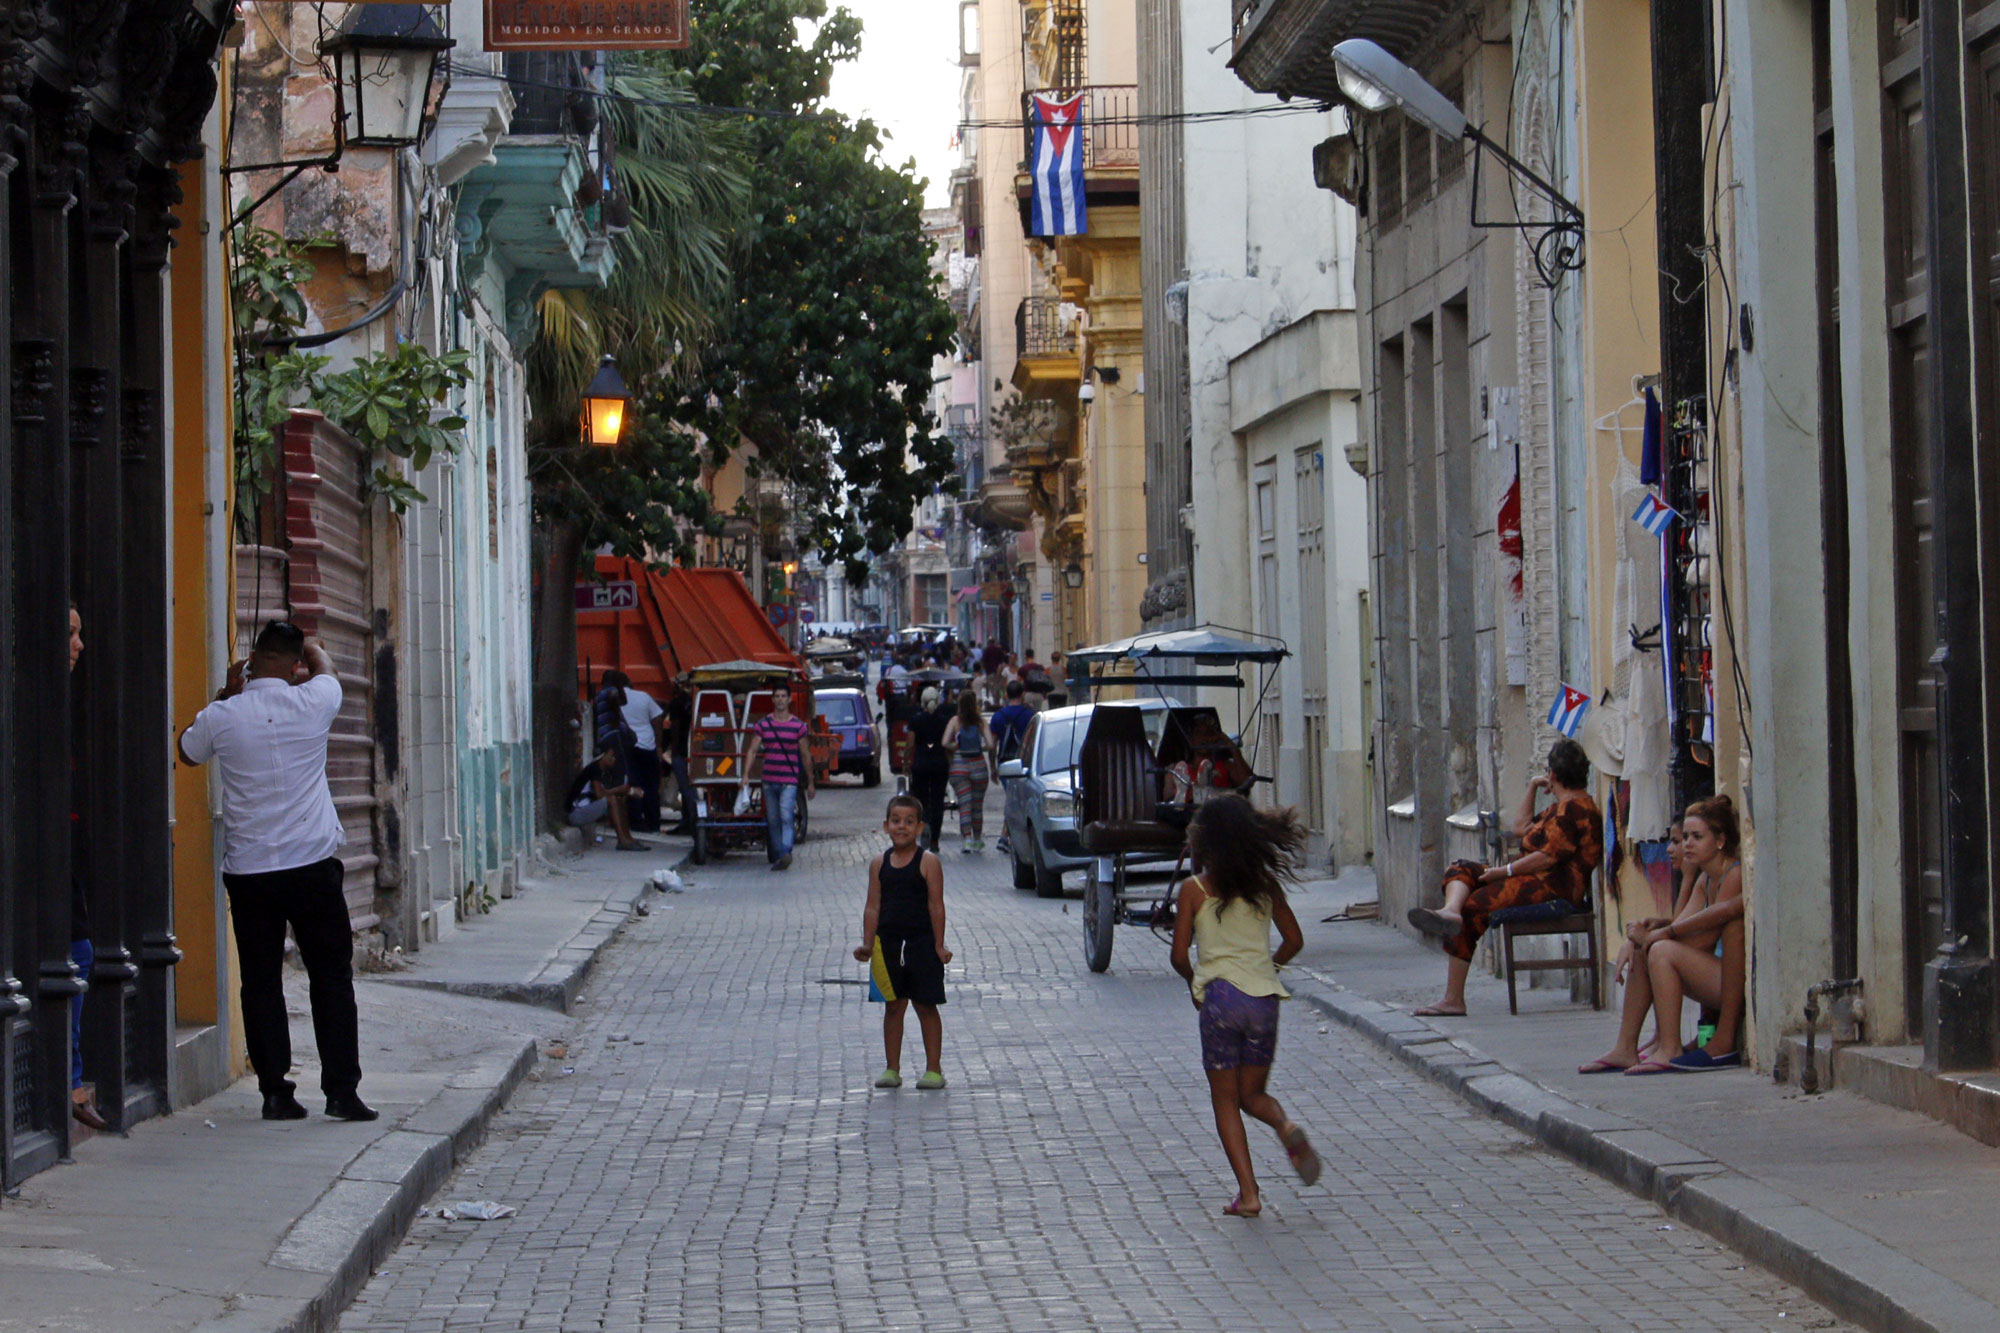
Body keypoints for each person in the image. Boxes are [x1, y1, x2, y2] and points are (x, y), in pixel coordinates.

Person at [177, 621, 375, 1122]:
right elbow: (328, 670)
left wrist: (228, 688)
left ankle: (274, 1091)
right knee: (331, 976)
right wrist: (312, 649)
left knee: (261, 980)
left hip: (251, 871)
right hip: (312, 865)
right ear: (294, 665)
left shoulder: (223, 715)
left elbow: (186, 750)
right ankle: (342, 1092)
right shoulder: (314, 700)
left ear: (252, 660)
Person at [1169, 795, 1320, 1218]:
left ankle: (1249, 1195)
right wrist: (1264, 968)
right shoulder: (1265, 886)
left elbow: (1179, 955)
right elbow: (1295, 940)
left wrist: (1195, 985)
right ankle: (1285, 1126)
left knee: (1225, 1101)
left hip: (1220, 1000)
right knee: (1253, 1095)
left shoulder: (1195, 889)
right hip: (1264, 1000)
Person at [1407, 738, 1604, 1017]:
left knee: (1475, 906)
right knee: (1461, 868)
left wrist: (1504, 871)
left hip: (1554, 888)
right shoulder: (1559, 807)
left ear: (1554, 774)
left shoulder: (1575, 809)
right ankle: (1450, 911)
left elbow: (1549, 856)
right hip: (1533, 879)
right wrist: (1534, 786)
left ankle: (1453, 998)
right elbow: (1521, 827)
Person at [1579, 795, 1746, 1074]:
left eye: (1696, 837)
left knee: (1660, 949)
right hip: (1714, 977)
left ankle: (1670, 1047)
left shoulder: (1734, 874)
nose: (1687, 844)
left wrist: (1658, 935)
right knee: (1650, 947)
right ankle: (1625, 1047)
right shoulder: (1706, 878)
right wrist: (1641, 938)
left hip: (1731, 985)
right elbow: (1684, 924)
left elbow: (1702, 939)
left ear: (1719, 840)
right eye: (1686, 837)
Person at [855, 793, 952, 1089]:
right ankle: (892, 1068)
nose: (902, 827)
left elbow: (936, 906)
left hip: (922, 945)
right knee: (893, 1006)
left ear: (920, 828)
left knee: (926, 1005)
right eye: (896, 821)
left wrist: (939, 945)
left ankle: (933, 1069)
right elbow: (873, 906)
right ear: (886, 826)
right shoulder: (878, 863)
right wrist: (868, 944)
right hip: (888, 947)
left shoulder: (928, 862)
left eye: (909, 822)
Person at [67, 603, 109, 1132]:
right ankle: (70, 1081)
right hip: (46, 860)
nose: (79, 645)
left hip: (70, 855)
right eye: (71, 633)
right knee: (76, 955)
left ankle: (71, 1078)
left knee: (79, 954)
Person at [744, 689, 814, 871]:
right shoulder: (763, 724)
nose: (780, 699)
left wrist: (811, 782)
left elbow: (806, 755)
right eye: (777, 696)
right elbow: (752, 750)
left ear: (789, 699)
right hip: (769, 780)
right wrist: (745, 774)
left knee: (786, 816)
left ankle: (785, 852)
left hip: (789, 781)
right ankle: (778, 855)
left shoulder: (798, 727)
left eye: (784, 696)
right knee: (773, 820)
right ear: (772, 699)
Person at [942, 690, 998, 853]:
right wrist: (979, 748)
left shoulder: (955, 721)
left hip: (959, 766)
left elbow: (944, 742)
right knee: (977, 805)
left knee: (964, 804)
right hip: (978, 765)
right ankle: (978, 838)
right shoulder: (980, 722)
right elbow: (991, 744)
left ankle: (967, 838)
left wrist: (956, 747)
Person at [565, 746, 647, 850]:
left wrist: (623, 791)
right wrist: (618, 790)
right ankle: (622, 840)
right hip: (576, 814)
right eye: (611, 756)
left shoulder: (604, 771)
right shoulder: (595, 769)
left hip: (584, 810)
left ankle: (628, 837)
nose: (614, 759)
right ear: (603, 757)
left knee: (619, 798)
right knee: (612, 799)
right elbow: (600, 795)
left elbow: (603, 793)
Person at [907, 688, 953, 853]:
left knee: (922, 800)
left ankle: (924, 823)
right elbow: (947, 746)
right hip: (940, 765)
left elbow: (911, 744)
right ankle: (934, 839)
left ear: (922, 702)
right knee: (938, 801)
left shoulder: (915, 720)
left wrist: (906, 762)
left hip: (920, 764)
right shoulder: (944, 721)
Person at [620, 681, 666, 832]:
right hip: (647, 745)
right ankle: (653, 823)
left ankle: (636, 822)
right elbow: (658, 719)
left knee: (633, 784)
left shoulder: (616, 698)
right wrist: (658, 745)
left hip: (627, 746)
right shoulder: (644, 697)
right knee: (651, 786)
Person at [663, 688, 696, 835]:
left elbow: (675, 728)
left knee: (686, 789)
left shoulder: (677, 704)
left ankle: (690, 822)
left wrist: (674, 752)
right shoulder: (696, 702)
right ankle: (690, 821)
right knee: (689, 789)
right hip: (698, 751)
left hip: (683, 752)